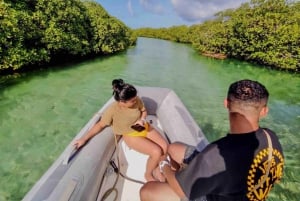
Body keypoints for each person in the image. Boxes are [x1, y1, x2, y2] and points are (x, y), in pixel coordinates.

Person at [140, 79, 284, 201]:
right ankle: (184, 177)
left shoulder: (216, 154)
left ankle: (181, 179)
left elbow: (181, 191)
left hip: (212, 196)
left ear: (226, 103)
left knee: (147, 191)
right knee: (173, 148)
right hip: (239, 189)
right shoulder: (270, 137)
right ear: (264, 111)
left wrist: (164, 167)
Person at [74, 79, 168, 182]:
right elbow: (100, 125)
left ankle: (157, 169)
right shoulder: (113, 110)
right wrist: (83, 139)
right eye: (132, 101)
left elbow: (144, 111)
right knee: (156, 151)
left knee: (165, 146)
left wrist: (142, 120)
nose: (136, 101)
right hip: (130, 134)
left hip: (142, 126)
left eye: (135, 98)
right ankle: (148, 174)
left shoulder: (137, 100)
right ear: (122, 102)